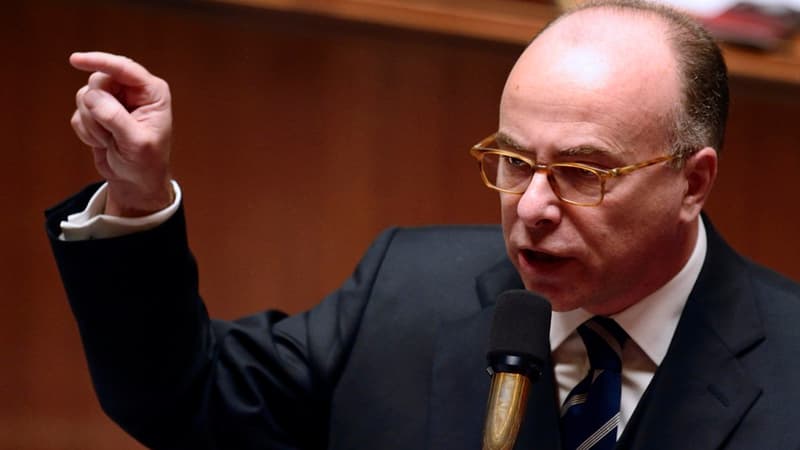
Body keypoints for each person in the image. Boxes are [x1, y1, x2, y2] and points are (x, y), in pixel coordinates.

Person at [46, 1, 800, 449]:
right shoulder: (407, 291)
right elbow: (185, 399)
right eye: (511, 161)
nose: (531, 207)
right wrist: (138, 201)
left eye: (581, 174)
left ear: (692, 182)